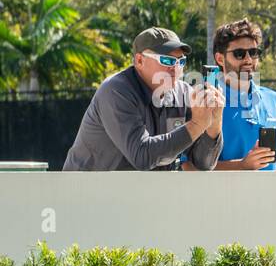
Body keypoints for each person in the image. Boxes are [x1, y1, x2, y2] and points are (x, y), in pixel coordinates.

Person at [63, 27, 223, 171]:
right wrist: (196, 125)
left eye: (181, 61)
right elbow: (141, 156)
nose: (176, 68)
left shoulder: (183, 92)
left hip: (136, 195)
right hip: (84, 194)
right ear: (139, 60)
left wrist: (213, 125)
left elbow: (203, 163)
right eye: (167, 60)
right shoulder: (116, 91)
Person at [181, 19, 276, 171]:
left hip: (272, 194)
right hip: (225, 195)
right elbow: (189, 166)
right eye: (239, 54)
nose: (248, 59)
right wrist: (242, 166)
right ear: (220, 58)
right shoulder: (201, 103)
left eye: (254, 53)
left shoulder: (275, 100)